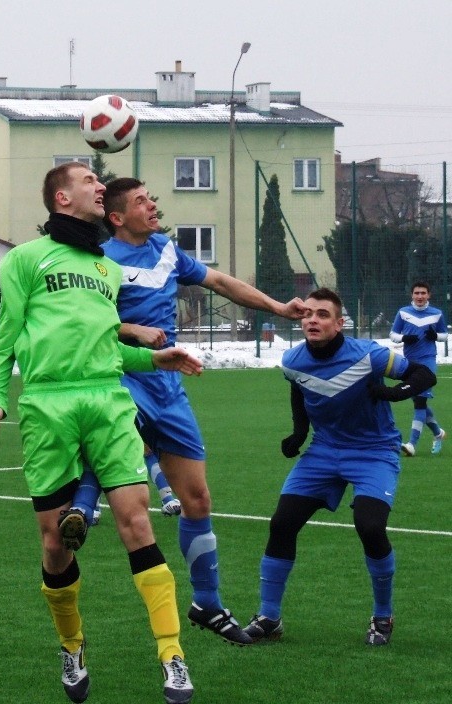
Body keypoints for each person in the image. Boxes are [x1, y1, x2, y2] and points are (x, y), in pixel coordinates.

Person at [0, 163, 203, 704]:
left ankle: (172, 656)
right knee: (55, 543)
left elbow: (108, 346)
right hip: (48, 405)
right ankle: (72, 644)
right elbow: (6, 336)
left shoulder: (105, 268)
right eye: (88, 182)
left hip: (107, 397)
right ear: (61, 197)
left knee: (137, 521)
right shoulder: (24, 260)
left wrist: (154, 358)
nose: (100, 187)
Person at [60, 177, 307, 647]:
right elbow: (84, 324)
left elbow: (219, 281)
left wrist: (277, 306)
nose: (152, 205)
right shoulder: (101, 260)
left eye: (150, 198)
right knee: (120, 437)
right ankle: (83, 507)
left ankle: (207, 603)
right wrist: (131, 329)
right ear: (116, 218)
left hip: (169, 388)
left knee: (197, 501)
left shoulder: (168, 250)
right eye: (140, 202)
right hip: (122, 378)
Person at [243, 288, 436, 646]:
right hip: (324, 451)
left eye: (322, 314)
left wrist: (396, 393)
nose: (312, 320)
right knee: (282, 523)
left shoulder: (370, 356)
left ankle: (383, 616)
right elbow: (299, 390)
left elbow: (425, 375)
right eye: (307, 314)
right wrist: (299, 433)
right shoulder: (292, 360)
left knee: (370, 526)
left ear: (339, 323)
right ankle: (269, 617)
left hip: (374, 451)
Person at [389, 281, 448, 456]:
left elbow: (445, 334)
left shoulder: (437, 314)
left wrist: (436, 336)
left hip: (428, 361)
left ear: (429, 295)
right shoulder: (403, 312)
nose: (420, 296)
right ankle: (438, 433)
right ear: (412, 295)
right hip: (409, 363)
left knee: (420, 401)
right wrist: (404, 338)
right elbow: (393, 334)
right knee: (418, 401)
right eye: (417, 293)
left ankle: (412, 444)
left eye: (423, 293)